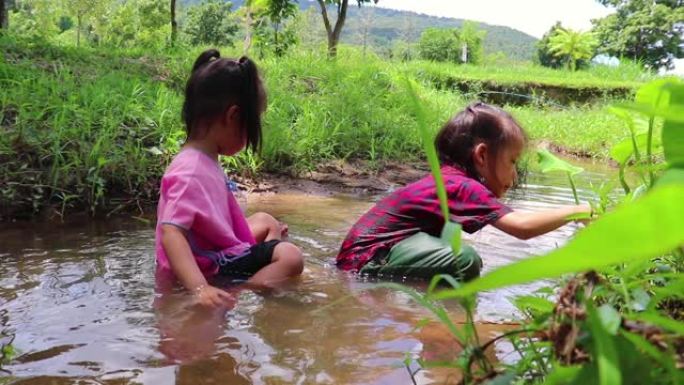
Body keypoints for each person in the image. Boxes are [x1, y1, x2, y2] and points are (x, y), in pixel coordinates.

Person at [337, 102, 591, 281]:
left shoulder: (450, 180)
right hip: (365, 261)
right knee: (464, 259)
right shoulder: (462, 186)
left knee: (451, 250)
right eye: (512, 161)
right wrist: (580, 210)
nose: (514, 176)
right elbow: (521, 227)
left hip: (362, 257)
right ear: (481, 155)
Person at [155, 49, 304, 308]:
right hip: (211, 265)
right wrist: (200, 288)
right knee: (291, 257)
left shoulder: (203, 158)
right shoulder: (190, 170)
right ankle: (242, 290)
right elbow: (171, 233)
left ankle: (264, 267)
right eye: (252, 124)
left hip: (214, 250)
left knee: (266, 221)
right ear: (233, 117)